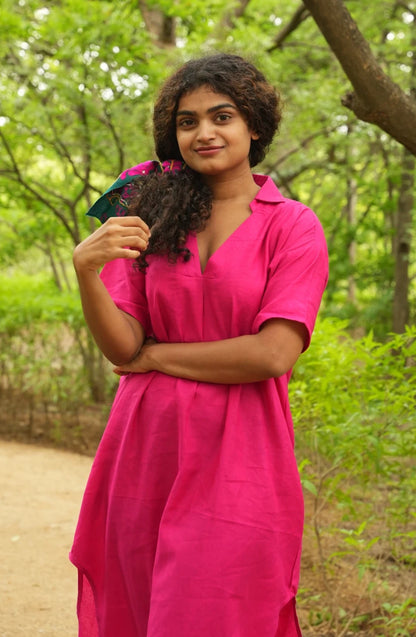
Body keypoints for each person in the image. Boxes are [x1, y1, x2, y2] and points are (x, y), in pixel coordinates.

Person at [70, 53, 328, 637]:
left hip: (243, 458)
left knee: (214, 609)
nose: (204, 132)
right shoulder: (152, 211)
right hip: (144, 447)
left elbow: (272, 355)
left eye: (222, 116)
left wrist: (155, 358)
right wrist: (88, 273)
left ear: (254, 124)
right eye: (187, 122)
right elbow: (122, 345)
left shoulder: (292, 225)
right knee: (137, 609)